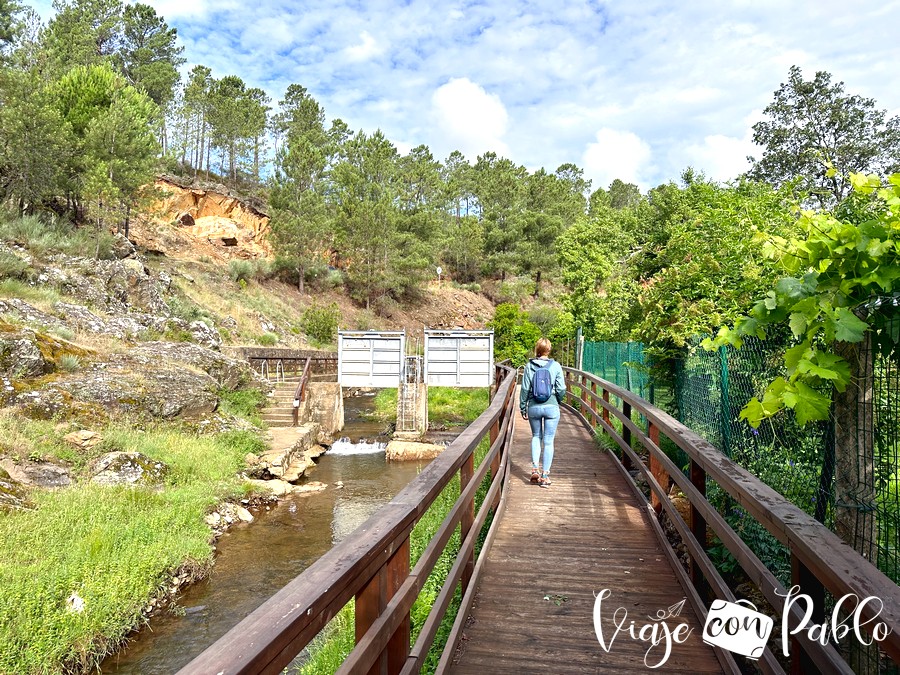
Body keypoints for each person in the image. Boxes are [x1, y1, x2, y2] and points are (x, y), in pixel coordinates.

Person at [519, 337, 566, 488]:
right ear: (549, 350)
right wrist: (557, 400)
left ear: (537, 350)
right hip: (551, 406)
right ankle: (545, 476)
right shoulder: (556, 366)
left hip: (534, 406)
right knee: (548, 440)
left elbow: (525, 388)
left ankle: (534, 469)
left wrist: (523, 407)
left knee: (536, 436)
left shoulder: (528, 366)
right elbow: (561, 389)